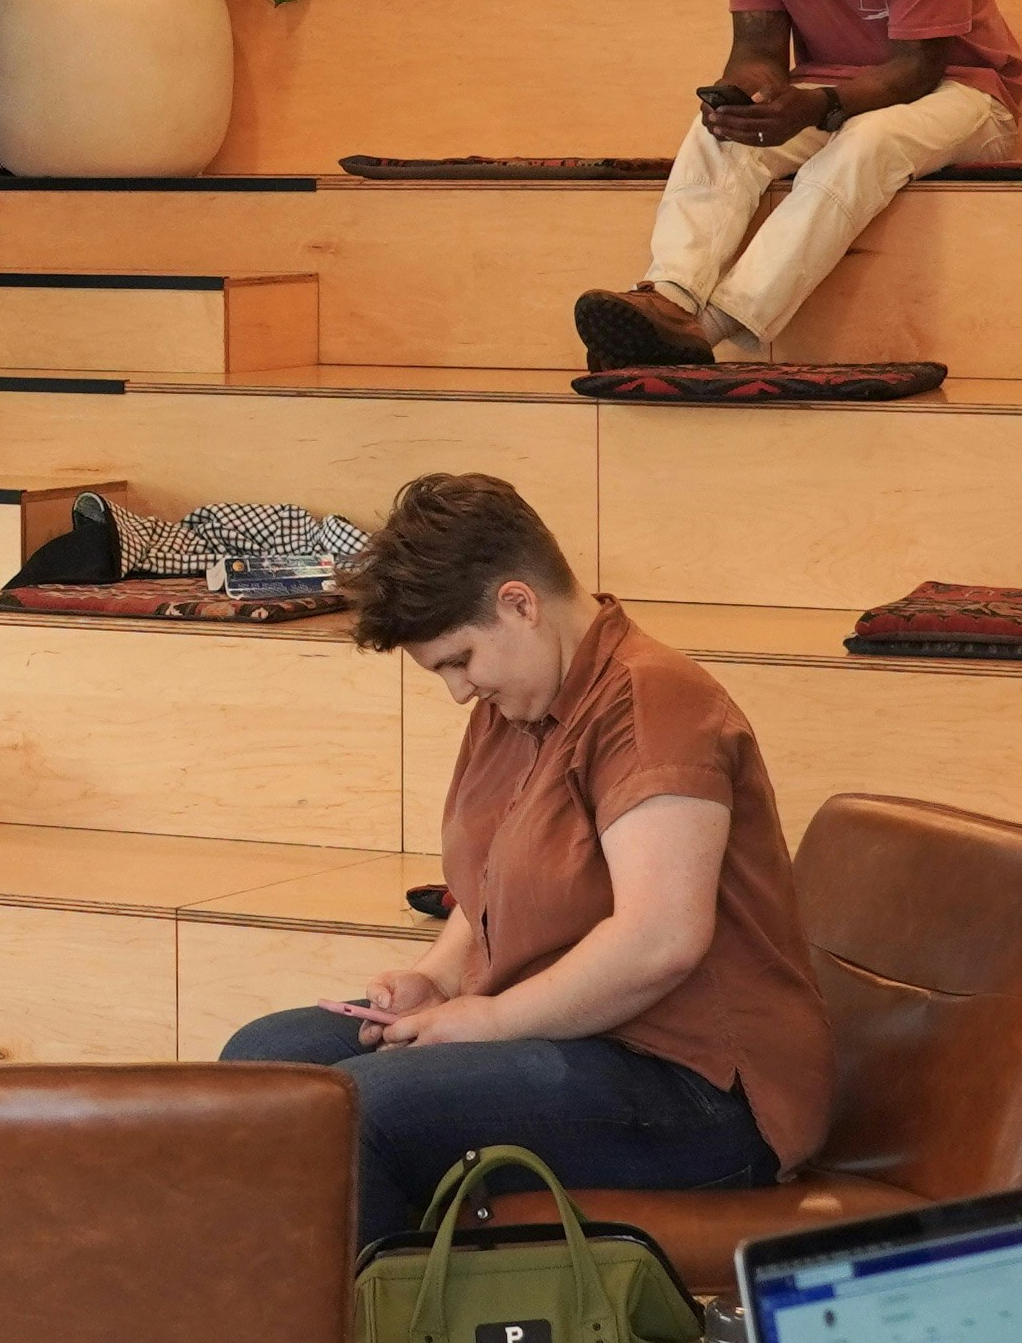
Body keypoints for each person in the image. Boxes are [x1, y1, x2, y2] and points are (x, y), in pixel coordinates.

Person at [213, 473, 826, 1243]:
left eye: (459, 661)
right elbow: (490, 881)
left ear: (519, 605)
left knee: (367, 1109)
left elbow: (661, 939)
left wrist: (492, 1020)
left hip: (699, 1086)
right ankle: (283, 1313)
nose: (458, 692)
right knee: (266, 1062)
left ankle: (370, 1323)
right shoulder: (519, 697)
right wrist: (437, 979)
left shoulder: (654, 704)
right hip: (570, 1036)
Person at [578, 0, 1022, 370]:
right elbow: (758, 49)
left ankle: (705, 329)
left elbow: (918, 69)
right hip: (836, 90)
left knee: (869, 140)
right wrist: (744, 98)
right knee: (718, 134)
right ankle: (669, 297)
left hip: (963, 90)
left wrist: (817, 106)